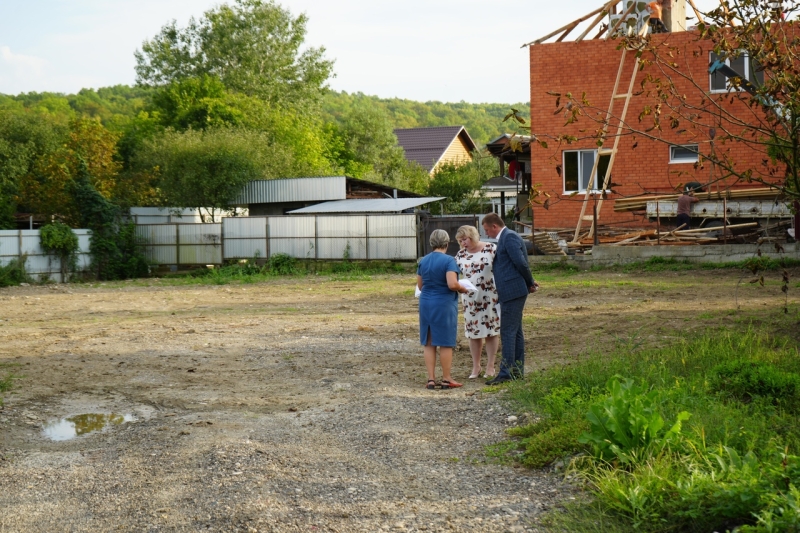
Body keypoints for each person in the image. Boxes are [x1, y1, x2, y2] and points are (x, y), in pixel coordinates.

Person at [481, 213, 539, 385]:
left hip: (513, 291)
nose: (486, 234)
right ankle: (517, 370)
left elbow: (521, 263)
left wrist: (530, 282)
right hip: (512, 290)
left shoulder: (509, 237)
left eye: (486, 230)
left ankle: (506, 372)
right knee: (516, 332)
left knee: (507, 331)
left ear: (494, 226)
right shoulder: (506, 237)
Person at [417, 229, 469, 390]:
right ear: (447, 243)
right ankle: (446, 378)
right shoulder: (449, 261)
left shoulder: (423, 260)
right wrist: (463, 289)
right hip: (444, 303)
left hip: (426, 302)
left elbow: (420, 285)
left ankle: (431, 379)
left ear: (431, 243)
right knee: (446, 342)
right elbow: (452, 284)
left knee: (429, 342)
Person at [454, 225, 500, 379]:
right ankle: (476, 366)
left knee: (491, 331)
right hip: (470, 299)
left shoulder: (491, 249)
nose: (463, 243)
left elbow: (501, 268)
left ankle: (490, 366)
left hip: (489, 296)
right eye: (460, 241)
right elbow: (453, 275)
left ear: (473, 236)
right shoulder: (460, 255)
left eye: (465, 239)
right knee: (473, 333)